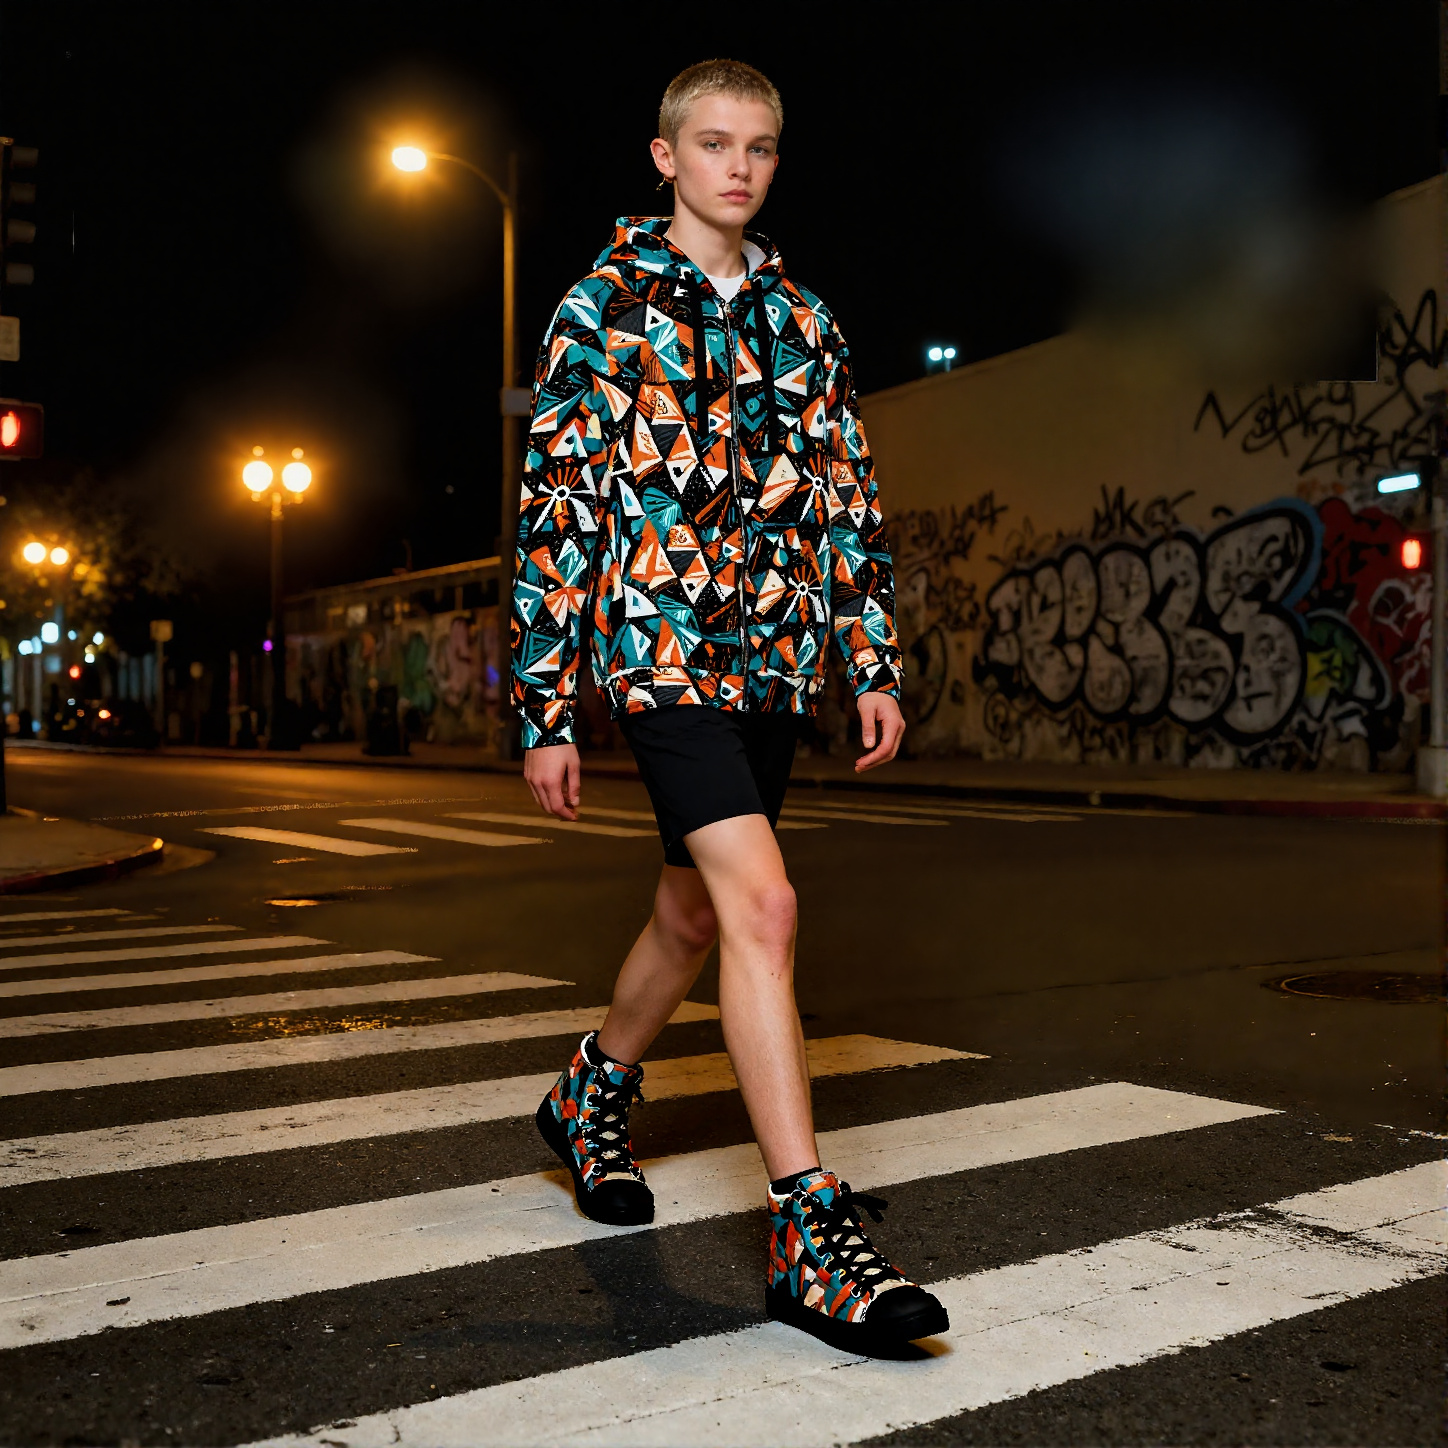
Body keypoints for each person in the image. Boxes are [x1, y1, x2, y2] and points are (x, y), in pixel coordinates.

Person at [512, 57, 948, 1353]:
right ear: (665, 158)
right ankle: (807, 1236)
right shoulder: (599, 307)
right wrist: (544, 701)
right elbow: (557, 509)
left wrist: (866, 660)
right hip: (657, 649)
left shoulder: (806, 318)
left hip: (767, 660)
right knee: (764, 902)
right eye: (714, 143)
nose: (739, 167)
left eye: (759, 145)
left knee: (693, 909)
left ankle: (589, 1092)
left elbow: (846, 500)